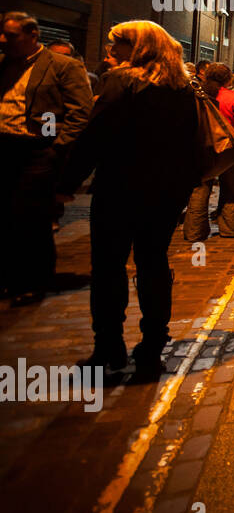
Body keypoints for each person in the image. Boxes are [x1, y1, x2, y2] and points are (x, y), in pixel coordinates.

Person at [54, 21, 199, 378]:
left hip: (120, 188)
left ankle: (108, 347)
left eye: (115, 44)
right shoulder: (182, 87)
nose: (110, 51)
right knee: (153, 265)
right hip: (165, 193)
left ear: (136, 47)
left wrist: (66, 183)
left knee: (108, 268)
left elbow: (94, 137)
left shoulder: (121, 81)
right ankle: (151, 350)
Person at [1, 12, 93, 304]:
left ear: (32, 36)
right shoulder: (4, 65)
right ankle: (8, 277)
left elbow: (79, 111)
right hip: (4, 147)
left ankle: (32, 281)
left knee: (31, 218)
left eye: (11, 35)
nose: (3, 40)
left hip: (37, 151)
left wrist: (57, 146)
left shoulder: (61, 67)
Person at [183, 63, 234, 241]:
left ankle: (194, 232)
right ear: (227, 78)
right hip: (227, 150)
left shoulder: (195, 95)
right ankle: (230, 229)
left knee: (199, 191)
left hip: (201, 148)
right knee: (231, 190)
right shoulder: (233, 97)